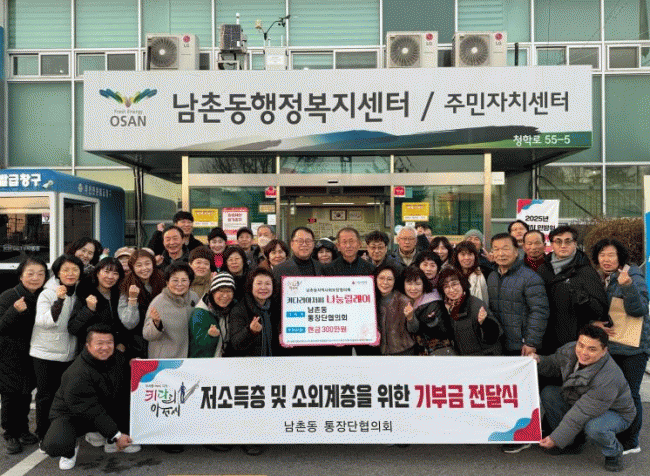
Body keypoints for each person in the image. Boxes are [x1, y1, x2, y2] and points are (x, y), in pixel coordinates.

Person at [533, 325, 636, 472]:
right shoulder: (570, 350)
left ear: (604, 351)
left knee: (594, 427)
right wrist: (538, 361)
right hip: (583, 401)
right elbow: (554, 364)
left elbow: (581, 412)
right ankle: (572, 443)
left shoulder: (609, 377)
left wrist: (556, 438)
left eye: (592, 349)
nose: (584, 352)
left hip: (616, 413)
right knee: (550, 393)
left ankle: (614, 452)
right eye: (581, 345)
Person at [42, 325, 139, 470]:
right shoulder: (77, 373)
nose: (105, 347)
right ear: (87, 345)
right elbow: (91, 410)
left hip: (101, 408)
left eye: (109, 342)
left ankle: (107, 438)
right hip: (73, 414)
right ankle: (71, 449)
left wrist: (135, 366)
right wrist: (117, 435)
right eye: (99, 343)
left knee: (124, 399)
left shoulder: (118, 359)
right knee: (56, 444)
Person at [591, 238, 650, 455]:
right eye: (602, 255)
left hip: (633, 348)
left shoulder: (632, 275)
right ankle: (617, 433)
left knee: (630, 394)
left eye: (611, 255)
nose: (606, 259)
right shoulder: (603, 277)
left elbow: (640, 310)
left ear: (620, 257)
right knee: (615, 393)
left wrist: (627, 287)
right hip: (614, 344)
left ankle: (631, 441)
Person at [0, 257, 47, 454]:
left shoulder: (43, 296)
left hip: (31, 353)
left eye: (41, 274)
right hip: (9, 355)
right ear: (20, 276)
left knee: (25, 393)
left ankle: (23, 429)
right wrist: (14, 311)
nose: (35, 278)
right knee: (11, 395)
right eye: (30, 273)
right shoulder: (9, 296)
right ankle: (10, 434)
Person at [537, 225, 609, 354]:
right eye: (558, 241)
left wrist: (584, 299)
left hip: (575, 342)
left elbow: (600, 309)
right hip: (546, 339)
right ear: (552, 244)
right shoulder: (543, 269)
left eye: (568, 241)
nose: (563, 246)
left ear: (575, 243)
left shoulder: (586, 271)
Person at [487, 233, 549, 357]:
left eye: (505, 249)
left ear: (516, 252)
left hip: (521, 346)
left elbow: (540, 311)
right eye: (496, 249)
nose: (501, 253)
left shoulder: (530, 278)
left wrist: (531, 342)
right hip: (498, 345)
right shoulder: (492, 276)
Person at [436, 268, 501, 356]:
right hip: (466, 359)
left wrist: (484, 322)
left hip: (485, 357)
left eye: (454, 284)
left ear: (462, 284)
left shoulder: (476, 304)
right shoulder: (447, 308)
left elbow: (494, 336)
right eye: (446, 286)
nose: (451, 290)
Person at [68, 257, 125, 355]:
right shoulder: (85, 293)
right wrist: (88, 310)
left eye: (115, 273)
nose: (110, 277)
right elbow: (73, 328)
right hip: (90, 353)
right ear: (97, 272)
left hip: (115, 352)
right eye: (106, 272)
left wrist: (121, 342)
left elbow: (124, 325)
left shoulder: (120, 295)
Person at [143, 262, 199, 360]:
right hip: (166, 360)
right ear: (167, 282)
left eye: (184, 280)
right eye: (175, 280)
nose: (179, 284)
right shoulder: (159, 302)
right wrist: (156, 324)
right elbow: (147, 334)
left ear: (190, 282)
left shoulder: (194, 297)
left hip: (189, 358)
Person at [118, 249, 165, 360]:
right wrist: (132, 299)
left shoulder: (163, 280)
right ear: (133, 267)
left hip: (162, 340)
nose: (144, 268)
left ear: (153, 264)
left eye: (147, 263)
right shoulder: (126, 286)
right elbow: (129, 323)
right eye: (139, 265)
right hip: (138, 345)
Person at [401, 266, 447, 356]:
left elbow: (418, 331)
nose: (413, 288)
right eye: (409, 284)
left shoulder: (433, 303)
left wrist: (411, 318)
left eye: (417, 284)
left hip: (437, 351)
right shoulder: (405, 301)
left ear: (424, 284)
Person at [189, 273, 236, 358]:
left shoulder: (233, 309)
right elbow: (198, 343)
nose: (225, 295)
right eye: (221, 291)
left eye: (229, 291)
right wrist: (210, 335)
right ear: (212, 293)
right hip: (204, 361)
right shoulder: (200, 312)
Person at [374, 264, 416, 355]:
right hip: (380, 351)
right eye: (381, 278)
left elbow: (414, 329)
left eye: (389, 279)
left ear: (395, 281)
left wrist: (410, 318)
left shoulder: (404, 301)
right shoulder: (371, 300)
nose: (385, 282)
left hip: (403, 351)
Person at [452, 241, 489, 305]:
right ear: (457, 257)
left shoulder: (484, 273)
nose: (467, 258)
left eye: (470, 254)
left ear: (475, 256)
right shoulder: (451, 275)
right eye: (463, 254)